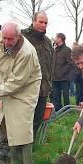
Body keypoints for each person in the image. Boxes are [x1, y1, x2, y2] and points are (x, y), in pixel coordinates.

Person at [0, 23, 41, 164]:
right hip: (7, 81)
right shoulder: (2, 37)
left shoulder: (26, 53)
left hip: (25, 88)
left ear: (19, 37)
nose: (6, 42)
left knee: (22, 127)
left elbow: (16, 83)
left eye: (10, 39)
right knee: (8, 123)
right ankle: (13, 163)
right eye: (4, 38)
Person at [22, 11, 53, 139]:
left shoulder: (47, 41)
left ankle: (28, 148)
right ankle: (11, 149)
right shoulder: (22, 37)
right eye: (40, 22)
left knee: (37, 120)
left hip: (43, 89)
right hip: (25, 87)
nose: (43, 25)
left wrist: (49, 84)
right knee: (22, 121)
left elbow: (50, 65)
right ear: (33, 21)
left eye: (45, 23)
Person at [52, 33, 75, 112]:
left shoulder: (67, 50)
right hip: (55, 77)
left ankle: (67, 110)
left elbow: (70, 63)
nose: (54, 39)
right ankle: (58, 109)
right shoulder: (54, 49)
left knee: (65, 94)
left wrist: (62, 72)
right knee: (56, 94)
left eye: (56, 37)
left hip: (64, 77)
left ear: (60, 39)